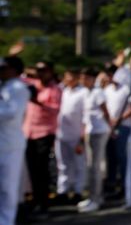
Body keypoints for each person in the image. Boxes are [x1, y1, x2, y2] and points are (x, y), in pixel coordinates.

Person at [23, 61, 61, 218]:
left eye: (44, 71)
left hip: (44, 133)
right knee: (32, 170)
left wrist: (38, 102)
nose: (41, 74)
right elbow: (18, 77)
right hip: (29, 132)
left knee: (42, 169)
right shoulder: (33, 84)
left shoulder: (55, 89)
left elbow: (55, 110)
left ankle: (44, 203)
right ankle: (35, 200)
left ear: (51, 72)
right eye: (39, 71)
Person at [0, 56, 30, 224]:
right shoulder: (3, 86)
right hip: (2, 142)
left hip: (10, 144)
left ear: (13, 69)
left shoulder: (18, 88)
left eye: (3, 68)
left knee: (7, 187)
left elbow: (12, 113)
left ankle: (6, 221)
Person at [78, 68, 112, 213]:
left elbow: (105, 112)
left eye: (85, 78)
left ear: (92, 79)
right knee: (92, 166)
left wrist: (110, 127)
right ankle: (93, 196)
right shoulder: (86, 92)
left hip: (99, 131)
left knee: (95, 167)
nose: (82, 81)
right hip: (91, 131)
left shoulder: (98, 92)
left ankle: (96, 198)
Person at [54, 69, 86, 204]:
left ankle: (78, 190)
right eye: (66, 77)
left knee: (79, 164)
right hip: (61, 134)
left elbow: (85, 115)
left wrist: (82, 136)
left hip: (76, 134)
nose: (68, 80)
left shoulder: (83, 92)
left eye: (71, 77)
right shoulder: (62, 91)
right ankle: (63, 190)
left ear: (77, 78)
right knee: (63, 164)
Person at [103, 64, 131, 197]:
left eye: (112, 73)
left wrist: (120, 118)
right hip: (108, 126)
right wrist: (109, 121)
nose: (110, 76)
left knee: (122, 156)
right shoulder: (107, 89)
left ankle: (123, 185)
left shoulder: (127, 89)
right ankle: (111, 184)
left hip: (124, 126)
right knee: (110, 157)